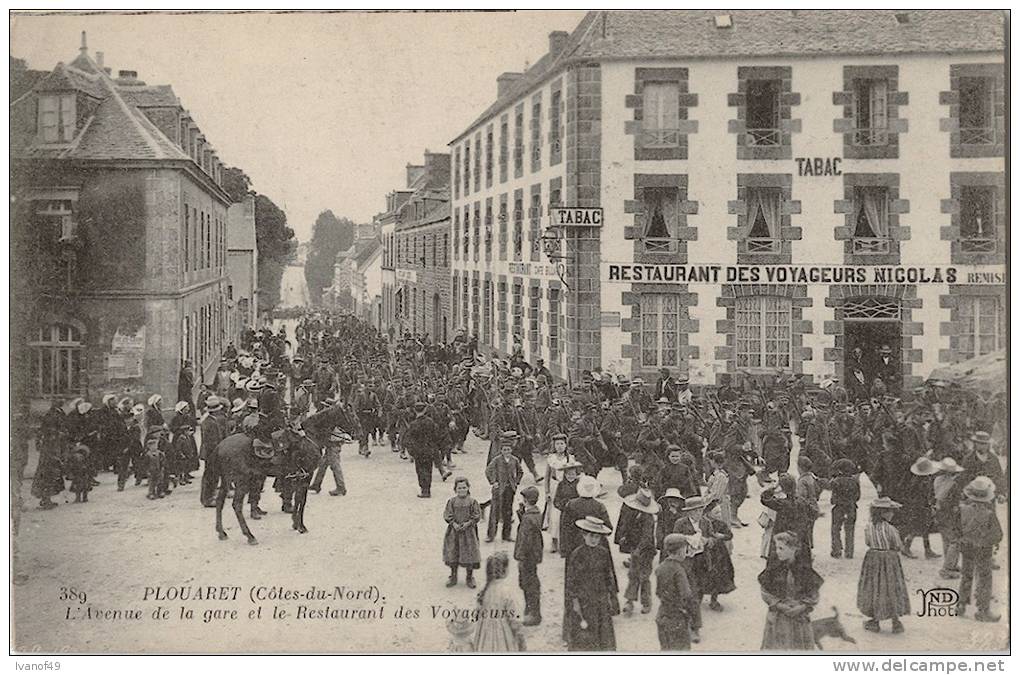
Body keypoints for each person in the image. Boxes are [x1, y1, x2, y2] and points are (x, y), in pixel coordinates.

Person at [758, 530, 823, 650]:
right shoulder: (773, 569)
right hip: (779, 617)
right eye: (776, 548)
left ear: (793, 549)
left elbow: (814, 593)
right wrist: (779, 605)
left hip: (799, 618)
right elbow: (765, 592)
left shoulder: (804, 570)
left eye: (781, 548)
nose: (777, 552)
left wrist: (802, 606)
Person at [857, 497, 911, 634]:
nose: (892, 514)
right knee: (891, 588)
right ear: (883, 513)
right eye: (890, 511)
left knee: (874, 588)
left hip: (873, 559)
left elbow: (868, 542)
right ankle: (895, 621)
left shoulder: (869, 527)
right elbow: (898, 545)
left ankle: (875, 620)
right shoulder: (891, 529)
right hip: (889, 560)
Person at [564, 516, 618, 651]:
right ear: (584, 535)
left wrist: (611, 597)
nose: (594, 540)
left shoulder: (603, 553)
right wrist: (575, 602)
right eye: (591, 536)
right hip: (583, 602)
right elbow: (571, 581)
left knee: (603, 635)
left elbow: (608, 576)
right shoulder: (577, 554)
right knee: (583, 636)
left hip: (600, 601)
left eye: (597, 537)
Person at [956, 476, 1002, 622]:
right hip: (983, 550)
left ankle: (961, 605)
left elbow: (956, 529)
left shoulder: (963, 510)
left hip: (967, 547)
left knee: (966, 575)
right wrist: (988, 541)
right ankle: (983, 610)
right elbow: (998, 534)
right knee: (984, 578)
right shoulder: (989, 514)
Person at [472, 552, 527, 652]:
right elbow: (515, 620)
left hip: (484, 634)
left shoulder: (484, 589)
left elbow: (477, 613)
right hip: (503, 636)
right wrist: (521, 640)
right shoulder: (508, 591)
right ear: (505, 570)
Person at [620, 487, 659, 617]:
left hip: (646, 552)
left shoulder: (648, 519)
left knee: (644, 577)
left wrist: (638, 550)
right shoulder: (632, 514)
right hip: (635, 549)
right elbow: (628, 529)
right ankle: (630, 601)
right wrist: (625, 537)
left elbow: (647, 538)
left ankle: (646, 602)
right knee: (632, 574)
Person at [654, 533, 697, 651]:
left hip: (662, 615)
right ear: (680, 551)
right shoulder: (679, 570)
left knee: (665, 648)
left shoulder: (660, 567)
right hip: (677, 617)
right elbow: (686, 595)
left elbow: (658, 592)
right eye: (685, 549)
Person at [442, 477, 482, 588]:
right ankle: (453, 576)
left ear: (468, 488)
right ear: (455, 489)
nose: (462, 490)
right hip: (454, 533)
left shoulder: (473, 502)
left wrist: (467, 524)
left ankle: (469, 577)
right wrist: (453, 524)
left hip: (468, 533)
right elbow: (447, 514)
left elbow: (476, 515)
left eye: (464, 487)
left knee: (469, 554)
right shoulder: (452, 501)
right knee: (453, 553)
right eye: (459, 488)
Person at [513, 485, 544, 625]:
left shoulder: (528, 519)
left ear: (525, 500)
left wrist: (519, 556)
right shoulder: (536, 514)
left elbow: (525, 539)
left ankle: (533, 614)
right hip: (534, 555)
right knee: (531, 582)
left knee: (527, 584)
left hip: (526, 556)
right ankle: (531, 610)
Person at [485, 432, 523, 542]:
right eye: (504, 450)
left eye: (508, 449)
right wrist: (493, 482)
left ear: (511, 450)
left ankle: (506, 535)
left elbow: (520, 472)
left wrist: (516, 482)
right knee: (495, 512)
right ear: (501, 450)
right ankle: (491, 535)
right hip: (498, 489)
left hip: (510, 489)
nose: (507, 452)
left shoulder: (514, 460)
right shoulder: (497, 460)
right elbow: (488, 470)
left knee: (508, 512)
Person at [934, 457, 965, 579]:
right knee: (954, 541)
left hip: (939, 512)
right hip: (949, 514)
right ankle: (947, 568)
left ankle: (950, 564)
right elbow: (955, 505)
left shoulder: (937, 480)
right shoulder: (954, 485)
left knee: (946, 539)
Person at [829, 458, 861, 559]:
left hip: (839, 508)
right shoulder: (855, 481)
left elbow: (833, 497)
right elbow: (858, 496)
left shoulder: (836, 481)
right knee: (850, 530)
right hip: (851, 508)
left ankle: (837, 550)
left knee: (835, 529)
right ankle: (849, 552)